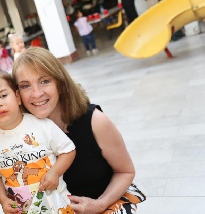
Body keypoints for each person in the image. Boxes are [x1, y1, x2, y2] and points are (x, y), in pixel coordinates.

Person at [12, 48, 146, 214]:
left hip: (104, 205)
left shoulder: (95, 121)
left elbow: (126, 171)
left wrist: (100, 204)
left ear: (60, 85)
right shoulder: (19, 134)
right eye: (25, 86)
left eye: (45, 81)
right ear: (17, 95)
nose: (37, 93)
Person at [0, 68, 76, 214]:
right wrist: (3, 200)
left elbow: (68, 150)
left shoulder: (42, 125)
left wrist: (55, 172)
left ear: (17, 97)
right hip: (22, 209)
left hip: (57, 204)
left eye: (3, 95)